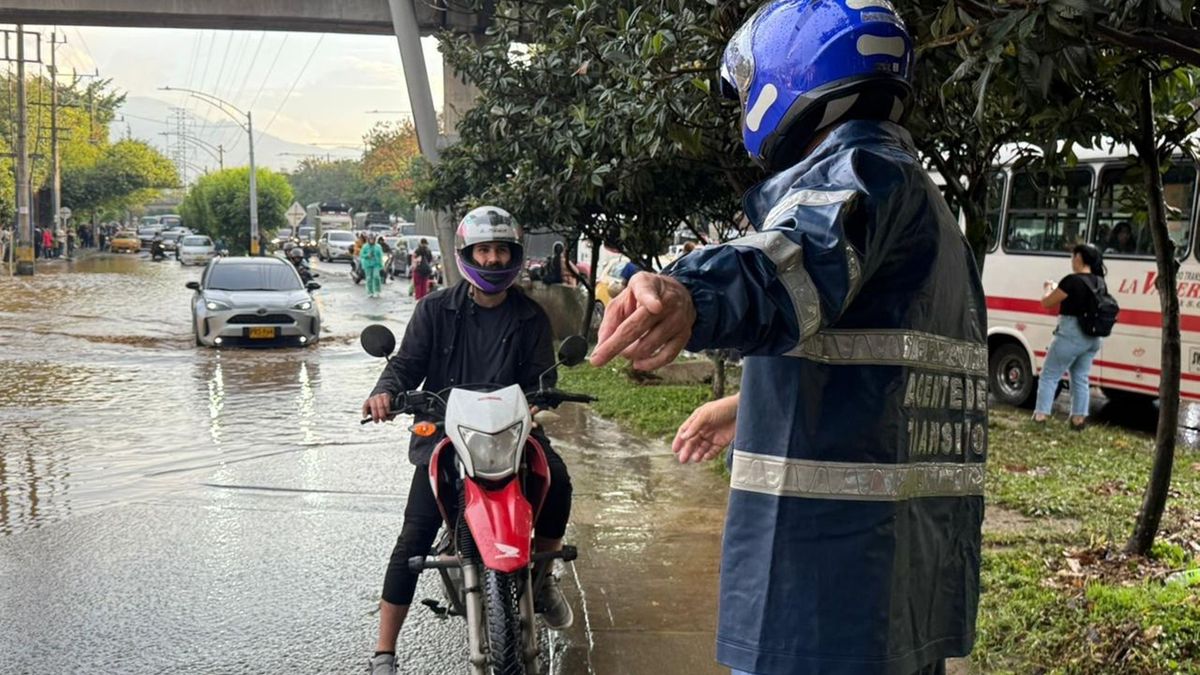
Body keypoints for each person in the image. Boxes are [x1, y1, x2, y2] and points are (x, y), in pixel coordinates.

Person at [590, 3, 986, 674]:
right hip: (900, 596)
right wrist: (744, 406)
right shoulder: (928, 211)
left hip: (826, 602)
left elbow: (792, 261)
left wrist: (692, 293)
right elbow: (880, 385)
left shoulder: (859, 168)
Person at [362, 206, 575, 675]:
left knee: (557, 481)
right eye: (485, 249)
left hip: (512, 434)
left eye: (502, 250)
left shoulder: (531, 318)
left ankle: (541, 579)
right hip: (445, 433)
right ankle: (384, 651)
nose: (494, 259)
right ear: (467, 254)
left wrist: (541, 401)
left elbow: (543, 377)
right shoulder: (435, 309)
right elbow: (405, 364)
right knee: (413, 536)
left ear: (514, 256)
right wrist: (384, 392)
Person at [1033, 243, 1108, 430]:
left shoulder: (1071, 281)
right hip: (1092, 338)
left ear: (1079, 258)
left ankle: (1040, 416)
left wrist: (1048, 288)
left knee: (1049, 375)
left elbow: (1047, 303)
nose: (1072, 260)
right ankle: (1078, 420)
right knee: (1080, 377)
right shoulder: (1100, 281)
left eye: (1073, 256)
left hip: (1070, 335)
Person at [360, 232, 385, 298]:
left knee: (376, 276)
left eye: (373, 239)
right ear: (368, 239)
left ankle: (377, 290)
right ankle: (370, 292)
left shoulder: (378, 247)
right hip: (367, 264)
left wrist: (381, 265)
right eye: (370, 239)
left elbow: (381, 256)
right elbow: (361, 255)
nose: (371, 240)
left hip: (376, 264)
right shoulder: (365, 246)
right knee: (369, 278)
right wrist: (367, 255)